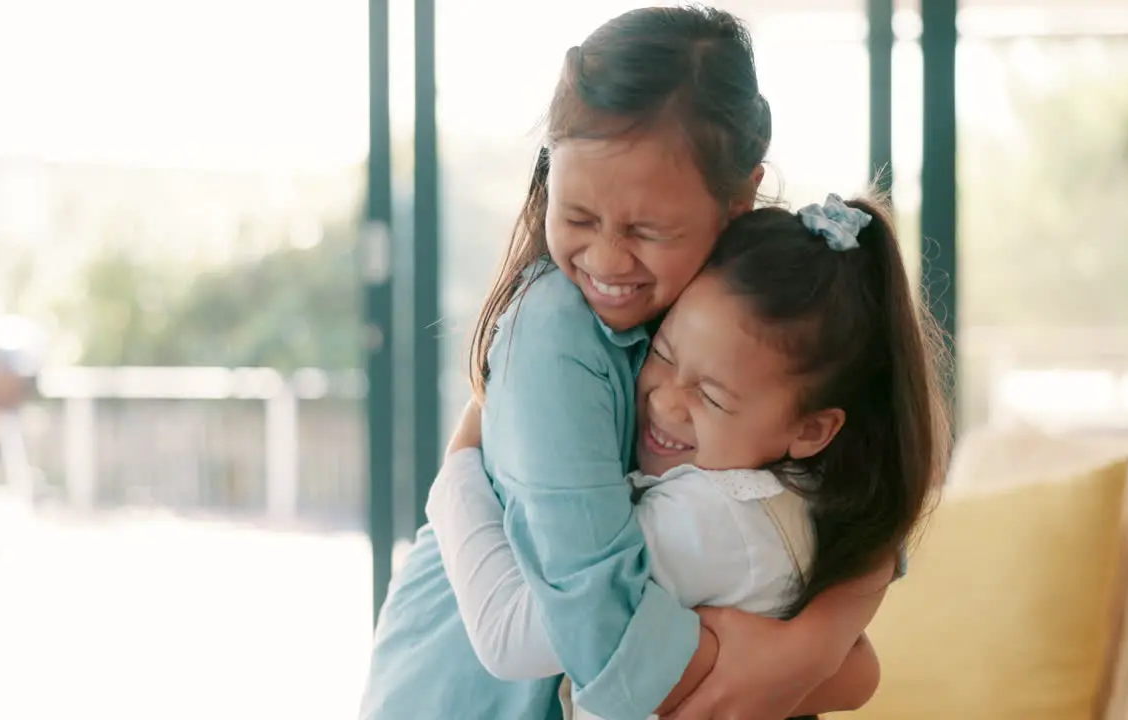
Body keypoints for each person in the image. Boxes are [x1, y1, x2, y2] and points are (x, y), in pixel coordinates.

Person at [360, 7, 938, 719]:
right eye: (576, 217)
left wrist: (820, 643)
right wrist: (824, 668)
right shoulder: (557, 332)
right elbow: (604, 632)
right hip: (463, 692)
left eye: (646, 229)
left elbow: (849, 498)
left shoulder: (738, 298)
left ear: (738, 203)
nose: (604, 261)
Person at [427, 197, 949, 719]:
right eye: (663, 353)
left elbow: (507, 636)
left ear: (812, 430)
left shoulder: (707, 522)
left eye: (713, 397)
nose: (665, 401)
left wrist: (456, 474)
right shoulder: (801, 495)